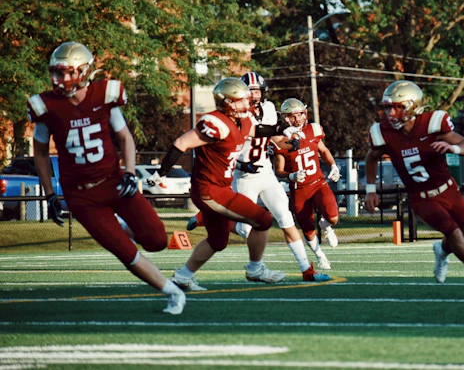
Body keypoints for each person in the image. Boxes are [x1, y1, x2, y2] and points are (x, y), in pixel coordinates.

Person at [27, 41, 186, 314]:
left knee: (158, 240)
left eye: (68, 72)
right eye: (58, 72)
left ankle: (123, 225)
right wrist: (50, 194)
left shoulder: (105, 95)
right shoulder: (46, 106)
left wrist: (130, 172)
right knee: (125, 252)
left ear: (85, 71)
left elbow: (125, 137)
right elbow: (40, 153)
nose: (62, 79)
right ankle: (173, 293)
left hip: (115, 183)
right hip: (81, 196)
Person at [186, 73, 331, 282]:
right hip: (243, 175)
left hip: (265, 172)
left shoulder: (270, 109)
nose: (253, 95)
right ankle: (212, 218)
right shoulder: (236, 114)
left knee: (286, 218)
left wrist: (291, 144)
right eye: (249, 90)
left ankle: (308, 270)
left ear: (263, 92)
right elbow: (223, 150)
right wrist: (240, 163)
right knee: (246, 229)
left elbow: (275, 139)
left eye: (256, 90)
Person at [148, 77, 288, 291]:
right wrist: (161, 173)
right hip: (210, 190)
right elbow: (181, 143)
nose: (247, 103)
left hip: (219, 188)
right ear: (227, 102)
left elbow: (257, 131)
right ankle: (255, 269)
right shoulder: (216, 123)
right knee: (263, 219)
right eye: (241, 100)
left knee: (218, 240)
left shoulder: (243, 121)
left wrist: (280, 128)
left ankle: (182, 277)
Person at [363, 80, 464, 294]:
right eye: (388, 107)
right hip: (421, 198)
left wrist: (452, 148)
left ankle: (441, 251)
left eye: (398, 107)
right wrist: (370, 190)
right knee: (454, 233)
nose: (391, 112)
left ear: (412, 106)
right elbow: (371, 157)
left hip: (449, 190)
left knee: (455, 236)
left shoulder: (432, 123)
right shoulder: (382, 132)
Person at [273, 98, 341, 269]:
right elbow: (279, 171)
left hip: (318, 183)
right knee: (307, 229)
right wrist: (291, 176)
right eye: (292, 116)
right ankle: (320, 256)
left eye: (300, 114)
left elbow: (324, 151)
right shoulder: (280, 141)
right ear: (285, 118)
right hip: (299, 189)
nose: (297, 119)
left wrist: (333, 166)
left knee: (333, 217)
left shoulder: (313, 130)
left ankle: (325, 226)